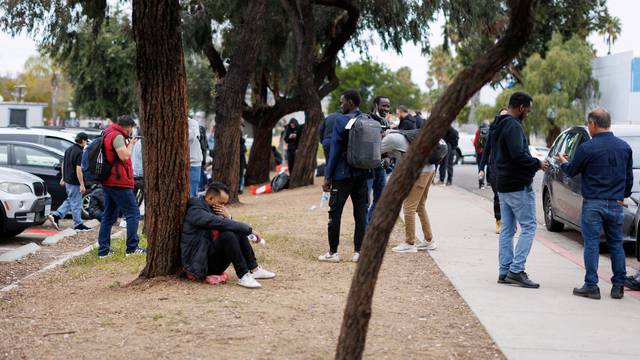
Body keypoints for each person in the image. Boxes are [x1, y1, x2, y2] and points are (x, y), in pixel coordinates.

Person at [555, 108, 632, 300]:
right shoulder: (624, 147)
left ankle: (591, 285)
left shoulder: (587, 148)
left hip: (593, 203)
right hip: (615, 203)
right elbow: (628, 178)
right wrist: (623, 195)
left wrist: (563, 161)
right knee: (616, 244)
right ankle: (618, 287)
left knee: (591, 244)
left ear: (593, 124)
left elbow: (572, 171)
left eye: (588, 124)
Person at [491, 92, 548, 288]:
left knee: (507, 229)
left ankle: (505, 270)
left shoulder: (498, 124)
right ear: (521, 107)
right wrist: (537, 164)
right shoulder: (513, 126)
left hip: (503, 184)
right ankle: (516, 270)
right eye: (529, 110)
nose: (529, 113)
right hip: (517, 186)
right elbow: (518, 156)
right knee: (529, 226)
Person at [181, 182, 275, 288]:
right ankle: (243, 275)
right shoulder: (196, 210)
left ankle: (254, 269)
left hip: (209, 256)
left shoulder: (211, 207)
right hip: (199, 265)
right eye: (221, 203)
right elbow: (220, 223)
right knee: (228, 235)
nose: (222, 206)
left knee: (236, 231)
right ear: (210, 198)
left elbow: (228, 224)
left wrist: (228, 217)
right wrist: (250, 230)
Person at [320, 90, 369, 263]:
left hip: (342, 174)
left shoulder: (340, 120)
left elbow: (334, 151)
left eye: (342, 102)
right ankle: (359, 252)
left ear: (350, 102)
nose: (341, 105)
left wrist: (327, 176)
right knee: (360, 213)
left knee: (335, 212)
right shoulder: (366, 119)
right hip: (362, 173)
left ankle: (333, 253)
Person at [97, 115, 146, 258]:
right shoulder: (117, 136)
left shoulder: (107, 132)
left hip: (109, 181)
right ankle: (132, 248)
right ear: (129, 126)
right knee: (133, 213)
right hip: (118, 181)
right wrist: (130, 144)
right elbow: (124, 156)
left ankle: (103, 251)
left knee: (108, 216)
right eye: (131, 128)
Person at [382, 130, 438, 253]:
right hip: (430, 169)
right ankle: (429, 240)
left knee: (409, 207)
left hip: (420, 172)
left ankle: (409, 243)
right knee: (420, 206)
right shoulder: (404, 136)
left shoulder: (389, 139)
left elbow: (376, 151)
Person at [47, 132, 92, 231]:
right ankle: (78, 225)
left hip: (68, 180)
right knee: (76, 203)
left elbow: (64, 164)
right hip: (74, 181)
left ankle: (56, 215)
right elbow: (78, 169)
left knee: (70, 200)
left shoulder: (68, 149)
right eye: (86, 141)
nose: (86, 143)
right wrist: (82, 184)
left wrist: (63, 177)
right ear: (83, 141)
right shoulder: (80, 152)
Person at [479, 109, 508, 234]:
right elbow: (486, 150)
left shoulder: (511, 131)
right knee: (498, 195)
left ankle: (508, 222)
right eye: (501, 116)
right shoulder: (493, 130)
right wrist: (481, 168)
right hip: (494, 167)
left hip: (507, 168)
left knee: (508, 196)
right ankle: (499, 220)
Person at [367, 95, 391, 223]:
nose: (386, 108)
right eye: (383, 105)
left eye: (388, 106)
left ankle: (370, 226)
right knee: (365, 200)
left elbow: (386, 143)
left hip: (381, 166)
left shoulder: (385, 122)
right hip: (368, 166)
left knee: (380, 199)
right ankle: (363, 230)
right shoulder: (367, 119)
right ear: (376, 105)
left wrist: (387, 156)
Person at [188, 116, 204, 198]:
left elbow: (190, 136)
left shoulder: (192, 122)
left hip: (193, 163)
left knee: (192, 194)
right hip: (177, 163)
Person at [474, 120, 491, 189]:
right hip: (488, 152)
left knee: (481, 168)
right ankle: (489, 183)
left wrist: (478, 149)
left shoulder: (478, 131)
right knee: (489, 167)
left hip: (479, 152)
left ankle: (481, 184)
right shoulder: (490, 131)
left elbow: (475, 142)